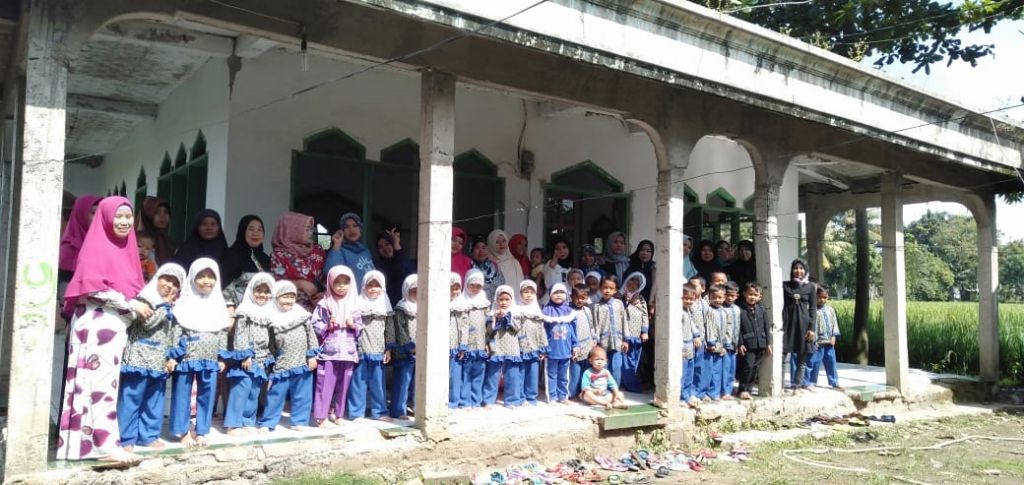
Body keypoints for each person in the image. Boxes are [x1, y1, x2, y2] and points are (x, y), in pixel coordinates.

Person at [58, 196, 147, 463]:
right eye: (118, 216)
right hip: (98, 325)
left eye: (128, 216)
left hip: (112, 325)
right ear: (105, 218)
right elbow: (92, 286)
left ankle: (82, 447)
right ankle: (106, 447)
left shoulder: (126, 250)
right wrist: (130, 304)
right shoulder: (95, 247)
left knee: (97, 384)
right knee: (100, 385)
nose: (124, 222)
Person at [117, 263, 185, 450]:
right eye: (166, 279)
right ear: (157, 278)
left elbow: (173, 335)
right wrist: (165, 306)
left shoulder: (174, 307)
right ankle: (126, 438)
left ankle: (148, 436)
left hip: (158, 362)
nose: (169, 285)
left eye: (175, 283)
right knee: (131, 398)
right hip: (138, 359)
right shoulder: (144, 300)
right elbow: (149, 323)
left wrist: (171, 357)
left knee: (154, 400)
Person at [168, 258, 230, 447]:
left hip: (210, 358)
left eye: (211, 276)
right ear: (193, 278)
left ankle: (202, 431)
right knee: (182, 394)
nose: (206, 281)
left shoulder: (218, 304)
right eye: (201, 276)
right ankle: (182, 431)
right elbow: (176, 331)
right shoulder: (183, 303)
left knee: (207, 394)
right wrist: (172, 356)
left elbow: (223, 332)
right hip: (186, 357)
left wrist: (222, 356)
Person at [258, 281, 319, 431]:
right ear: (276, 297)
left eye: (292, 297)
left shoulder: (302, 315)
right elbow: (270, 343)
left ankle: (299, 422)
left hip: (302, 361)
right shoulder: (271, 318)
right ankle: (268, 422)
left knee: (302, 394)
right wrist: (270, 359)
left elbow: (310, 335)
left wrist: (312, 355)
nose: (289, 301)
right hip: (283, 362)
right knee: (276, 394)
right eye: (284, 297)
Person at [223, 273, 276, 435]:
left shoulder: (270, 313)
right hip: (246, 358)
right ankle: (233, 424)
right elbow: (240, 334)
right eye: (258, 290)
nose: (262, 295)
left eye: (266, 291)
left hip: (261, 358)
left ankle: (247, 421)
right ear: (251, 291)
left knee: (254, 390)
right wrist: (245, 354)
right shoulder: (245, 311)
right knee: (241, 389)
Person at [311, 265, 360, 426]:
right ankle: (321, 416)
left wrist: (353, 325)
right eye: (337, 282)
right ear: (330, 283)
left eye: (345, 282)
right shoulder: (324, 304)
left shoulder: (355, 304)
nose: (341, 286)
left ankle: (339, 415)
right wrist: (328, 326)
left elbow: (360, 326)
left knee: (344, 385)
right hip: (329, 352)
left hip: (348, 351)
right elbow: (315, 324)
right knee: (325, 384)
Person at [346, 270, 391, 420]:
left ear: (382, 287)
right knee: (358, 381)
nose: (373, 289)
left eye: (377, 285)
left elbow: (389, 329)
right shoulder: (357, 304)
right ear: (363, 286)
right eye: (369, 285)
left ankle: (380, 412)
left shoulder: (385, 305)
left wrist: (388, 349)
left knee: (378, 383)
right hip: (360, 349)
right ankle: (356, 413)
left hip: (378, 350)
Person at [271, 211, 326, 312]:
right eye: (306, 229)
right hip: (289, 311)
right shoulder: (279, 255)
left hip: (317, 312)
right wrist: (299, 284)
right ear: (295, 230)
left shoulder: (317, 251)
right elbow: (275, 284)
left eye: (311, 229)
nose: (310, 233)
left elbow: (328, 277)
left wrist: (326, 294)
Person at [482, 285, 522, 408]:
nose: (503, 302)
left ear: (511, 300)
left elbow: (517, 328)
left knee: (512, 375)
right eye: (501, 299)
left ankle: (512, 401)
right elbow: (489, 331)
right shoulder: (492, 314)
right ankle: (488, 400)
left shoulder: (516, 314)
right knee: (492, 374)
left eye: (507, 299)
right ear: (496, 300)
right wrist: (494, 318)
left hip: (511, 348)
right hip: (496, 347)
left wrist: (507, 316)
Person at [783, 259, 817, 393]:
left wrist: (812, 329)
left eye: (801, 268)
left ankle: (796, 386)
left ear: (806, 270)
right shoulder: (785, 285)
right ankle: (779, 386)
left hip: (803, 325)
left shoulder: (811, 287)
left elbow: (813, 309)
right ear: (792, 270)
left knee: (802, 359)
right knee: (782, 356)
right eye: (796, 268)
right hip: (787, 324)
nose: (798, 271)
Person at [221, 215, 272, 306]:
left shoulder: (266, 259)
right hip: (239, 309)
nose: (256, 233)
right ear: (243, 231)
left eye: (260, 230)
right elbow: (225, 287)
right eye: (251, 229)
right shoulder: (231, 256)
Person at [387, 274, 418, 419]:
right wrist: (409, 346)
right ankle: (399, 410)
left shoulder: (425, 307)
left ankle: (417, 406)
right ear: (406, 290)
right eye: (413, 291)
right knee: (402, 382)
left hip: (420, 351)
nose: (417, 294)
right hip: (405, 352)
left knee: (418, 382)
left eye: (419, 291)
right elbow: (400, 330)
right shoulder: (401, 308)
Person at [458, 270, 490, 408]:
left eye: (479, 286)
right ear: (466, 284)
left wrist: (488, 343)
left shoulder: (484, 303)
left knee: (479, 372)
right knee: (466, 373)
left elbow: (488, 326)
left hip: (481, 344)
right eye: (472, 285)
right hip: (467, 344)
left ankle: (476, 401)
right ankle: (464, 401)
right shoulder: (461, 303)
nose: (475, 288)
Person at [58, 194, 101, 290]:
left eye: (101, 213)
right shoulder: (70, 248)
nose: (98, 217)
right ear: (81, 215)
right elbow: (64, 288)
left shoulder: (107, 242)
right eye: (93, 213)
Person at [542, 283, 576, 404]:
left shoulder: (570, 312)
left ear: (566, 295)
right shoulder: (546, 312)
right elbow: (542, 332)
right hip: (551, 352)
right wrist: (543, 349)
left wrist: (575, 346)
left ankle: (563, 396)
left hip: (565, 352)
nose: (558, 295)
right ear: (550, 295)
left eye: (561, 292)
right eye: (555, 293)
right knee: (551, 376)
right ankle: (552, 397)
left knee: (563, 376)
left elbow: (573, 332)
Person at [517, 280, 548, 406]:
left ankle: (531, 397)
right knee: (520, 372)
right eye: (525, 292)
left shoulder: (537, 311)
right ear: (520, 293)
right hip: (520, 347)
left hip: (534, 347)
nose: (528, 295)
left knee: (533, 373)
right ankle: (520, 397)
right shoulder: (516, 310)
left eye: (531, 292)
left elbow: (541, 330)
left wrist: (543, 348)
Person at [737, 282, 771, 400]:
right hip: (748, 344)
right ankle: (742, 389)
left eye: (756, 295)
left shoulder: (761, 309)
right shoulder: (740, 309)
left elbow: (766, 326)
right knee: (748, 366)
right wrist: (740, 343)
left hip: (760, 343)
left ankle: (749, 389)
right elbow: (737, 328)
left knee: (756, 367)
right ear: (744, 294)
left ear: (760, 296)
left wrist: (767, 343)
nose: (753, 297)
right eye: (750, 294)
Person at [325, 213, 375, 291]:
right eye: (347, 227)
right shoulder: (340, 251)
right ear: (342, 231)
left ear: (360, 229)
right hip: (353, 297)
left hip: (370, 295)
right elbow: (331, 272)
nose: (351, 230)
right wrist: (337, 244)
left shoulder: (366, 251)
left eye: (355, 225)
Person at [593, 274, 627, 385]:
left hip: (617, 342)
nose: (607, 290)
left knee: (616, 367)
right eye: (605, 287)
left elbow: (624, 321)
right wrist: (596, 341)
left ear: (615, 290)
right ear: (600, 288)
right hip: (603, 344)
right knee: (603, 367)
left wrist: (625, 340)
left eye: (611, 288)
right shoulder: (597, 306)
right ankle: (603, 388)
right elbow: (595, 325)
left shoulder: (619, 304)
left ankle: (615, 389)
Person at [619, 272, 650, 393]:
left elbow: (645, 315)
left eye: (636, 284)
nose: (633, 285)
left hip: (637, 335)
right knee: (626, 360)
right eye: (631, 282)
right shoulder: (619, 297)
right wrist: (626, 301)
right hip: (625, 335)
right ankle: (632, 385)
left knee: (635, 360)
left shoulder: (641, 299)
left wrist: (644, 331)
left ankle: (631, 383)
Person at [809, 285, 842, 390]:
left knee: (831, 362)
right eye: (819, 297)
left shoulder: (830, 310)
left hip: (829, 342)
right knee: (814, 362)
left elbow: (834, 324)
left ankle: (834, 382)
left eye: (825, 297)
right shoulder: (812, 310)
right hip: (817, 343)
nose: (822, 300)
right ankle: (811, 382)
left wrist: (833, 336)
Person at [568, 284, 597, 399]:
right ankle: (571, 393)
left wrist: (594, 338)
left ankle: (584, 392)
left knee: (586, 371)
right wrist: (572, 345)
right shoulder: (569, 311)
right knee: (575, 370)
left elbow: (591, 325)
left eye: (583, 298)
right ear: (572, 297)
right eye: (577, 297)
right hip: (576, 347)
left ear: (587, 298)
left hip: (588, 345)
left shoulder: (587, 310)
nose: (580, 300)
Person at [375, 228, 415, 305]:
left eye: (387, 244)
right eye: (380, 247)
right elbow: (397, 270)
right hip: (390, 306)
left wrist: (396, 243)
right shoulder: (379, 266)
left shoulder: (407, 262)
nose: (385, 248)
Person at [680, 284, 703, 407]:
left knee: (689, 373)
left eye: (691, 299)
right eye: (686, 298)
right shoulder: (678, 312)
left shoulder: (688, 311)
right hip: (682, 346)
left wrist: (696, 336)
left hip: (690, 346)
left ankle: (687, 395)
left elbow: (692, 325)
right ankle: (680, 397)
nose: (688, 301)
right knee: (682, 374)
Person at [703, 284, 727, 401]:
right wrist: (711, 343)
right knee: (710, 370)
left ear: (724, 297)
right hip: (712, 346)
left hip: (721, 346)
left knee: (718, 370)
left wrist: (725, 345)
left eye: (720, 297)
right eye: (714, 297)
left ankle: (716, 393)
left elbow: (725, 329)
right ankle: (709, 392)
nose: (717, 300)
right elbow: (709, 327)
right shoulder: (710, 311)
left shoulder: (723, 311)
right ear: (709, 298)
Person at [136, 196, 175, 264]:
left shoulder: (168, 242)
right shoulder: (138, 240)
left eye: (166, 212)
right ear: (148, 215)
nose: (162, 216)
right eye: (156, 212)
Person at [448, 272, 467, 409]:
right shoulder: (438, 304)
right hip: (441, 346)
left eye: (457, 288)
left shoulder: (462, 306)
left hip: (455, 347)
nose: (455, 292)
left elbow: (464, 327)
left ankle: (453, 401)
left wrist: (463, 345)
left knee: (455, 375)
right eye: (451, 289)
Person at [721, 282, 742, 400]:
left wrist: (738, 343)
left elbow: (738, 327)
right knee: (724, 368)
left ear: (737, 296)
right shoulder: (721, 309)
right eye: (727, 295)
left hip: (734, 344)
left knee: (731, 369)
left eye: (732, 296)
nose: (730, 298)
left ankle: (729, 390)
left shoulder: (737, 309)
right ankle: (723, 391)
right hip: (724, 345)